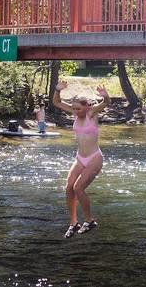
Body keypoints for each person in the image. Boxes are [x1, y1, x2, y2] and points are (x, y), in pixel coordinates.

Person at [52, 80, 110, 238]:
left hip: (94, 158)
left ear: (87, 107)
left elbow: (106, 103)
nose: (76, 111)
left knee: (78, 188)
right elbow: (56, 102)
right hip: (80, 158)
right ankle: (73, 223)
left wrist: (105, 96)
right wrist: (57, 90)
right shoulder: (75, 112)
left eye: (79, 108)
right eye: (74, 108)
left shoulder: (92, 113)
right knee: (69, 187)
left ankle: (89, 221)